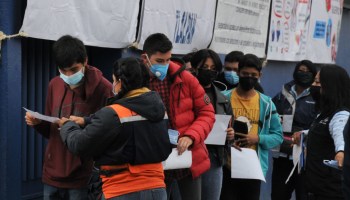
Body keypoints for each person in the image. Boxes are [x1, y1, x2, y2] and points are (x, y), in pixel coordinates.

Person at [57, 57, 172, 200]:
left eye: (113, 80)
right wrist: (87, 120)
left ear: (120, 82)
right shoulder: (160, 110)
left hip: (121, 190)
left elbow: (79, 145)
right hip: (157, 190)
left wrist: (68, 126)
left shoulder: (114, 113)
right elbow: (130, 123)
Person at [24, 35, 113, 199]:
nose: (68, 74)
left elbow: (107, 132)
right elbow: (51, 132)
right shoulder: (54, 84)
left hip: (82, 177)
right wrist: (37, 123)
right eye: (63, 70)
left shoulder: (104, 88)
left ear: (85, 61)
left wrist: (81, 125)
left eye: (73, 69)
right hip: (52, 174)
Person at [141, 33, 215, 200]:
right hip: (154, 161)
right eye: (159, 61)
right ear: (145, 58)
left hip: (187, 158)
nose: (165, 65)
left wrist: (191, 136)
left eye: (168, 60)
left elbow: (207, 113)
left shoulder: (186, 78)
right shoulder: (138, 80)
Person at [220, 54, 283, 200]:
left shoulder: (267, 104)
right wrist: (225, 135)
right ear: (238, 73)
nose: (249, 78)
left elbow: (278, 136)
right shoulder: (223, 98)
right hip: (226, 166)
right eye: (245, 74)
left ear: (260, 75)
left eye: (253, 75)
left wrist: (258, 138)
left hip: (253, 169)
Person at [298, 65, 350, 200]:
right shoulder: (324, 113)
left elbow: (340, 135)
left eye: (318, 82)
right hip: (315, 189)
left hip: (330, 192)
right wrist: (304, 134)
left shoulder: (341, 114)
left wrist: (341, 152)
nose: (313, 86)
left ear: (331, 86)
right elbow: (324, 131)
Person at [190, 49, 234, 200]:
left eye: (213, 68)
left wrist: (230, 134)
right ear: (195, 68)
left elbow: (229, 127)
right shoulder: (185, 93)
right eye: (205, 67)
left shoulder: (222, 99)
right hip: (189, 155)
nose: (209, 71)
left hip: (214, 157)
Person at [271, 60, 317, 200]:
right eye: (300, 71)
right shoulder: (281, 95)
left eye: (308, 72)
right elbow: (272, 120)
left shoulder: (317, 97)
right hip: (283, 156)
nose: (304, 74)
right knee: (279, 195)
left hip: (305, 160)